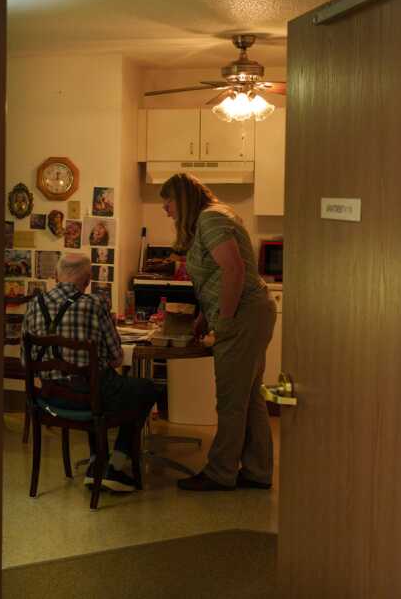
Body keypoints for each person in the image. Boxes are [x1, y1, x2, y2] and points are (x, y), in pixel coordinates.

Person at [160, 172, 276, 491]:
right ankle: (257, 470)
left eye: (168, 201)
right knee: (249, 398)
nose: (165, 209)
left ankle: (221, 472)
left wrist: (223, 319)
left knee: (230, 400)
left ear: (181, 199)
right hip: (251, 313)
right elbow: (215, 276)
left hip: (242, 316)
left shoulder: (210, 220)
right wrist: (204, 316)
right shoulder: (215, 217)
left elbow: (234, 270)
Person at [23, 253, 158, 493]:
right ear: (87, 279)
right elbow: (117, 357)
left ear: (56, 275)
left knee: (96, 390)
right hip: (89, 399)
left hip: (49, 400)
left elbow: (26, 360)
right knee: (145, 388)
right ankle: (115, 467)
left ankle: (98, 461)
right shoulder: (95, 305)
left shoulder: (35, 304)